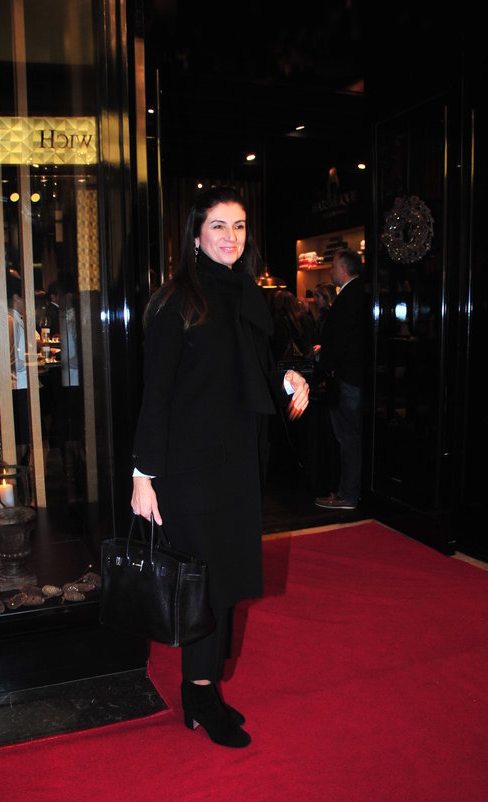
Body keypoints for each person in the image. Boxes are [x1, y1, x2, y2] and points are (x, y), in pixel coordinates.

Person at [130, 186, 309, 749]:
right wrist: (142, 475)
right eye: (218, 226)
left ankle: (202, 690)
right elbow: (156, 394)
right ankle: (202, 695)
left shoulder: (247, 295)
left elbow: (251, 367)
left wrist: (286, 377)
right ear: (195, 236)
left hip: (237, 466)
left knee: (224, 579)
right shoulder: (178, 301)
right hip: (189, 470)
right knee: (203, 585)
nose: (231, 237)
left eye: (239, 226)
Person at [314, 248, 365, 510]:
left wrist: (326, 367)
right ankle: (348, 491)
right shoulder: (359, 293)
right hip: (351, 376)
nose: (331, 270)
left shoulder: (349, 297)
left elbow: (339, 341)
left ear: (343, 268)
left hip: (347, 378)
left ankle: (348, 494)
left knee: (348, 437)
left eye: (333, 266)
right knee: (349, 436)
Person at [0, 268, 38, 464]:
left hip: (13, 383)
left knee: (19, 438)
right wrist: (32, 361)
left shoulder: (1, 314)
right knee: (20, 440)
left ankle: (18, 475)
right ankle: (18, 477)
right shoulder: (6, 318)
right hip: (15, 385)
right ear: (16, 297)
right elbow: (9, 359)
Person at [312, 281, 337, 358]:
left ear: (326, 297)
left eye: (318, 296)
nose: (315, 300)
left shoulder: (332, 315)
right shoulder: (324, 314)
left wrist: (322, 347)